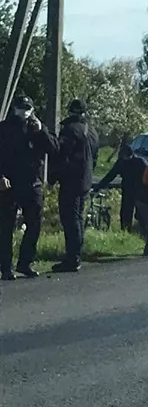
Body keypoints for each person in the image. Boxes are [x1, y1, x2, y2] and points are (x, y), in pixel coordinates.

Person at [0, 95, 57, 280]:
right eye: (20, 107)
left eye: (27, 108)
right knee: (6, 226)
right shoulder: (4, 128)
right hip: (10, 183)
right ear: (14, 108)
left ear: (32, 109)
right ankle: (6, 267)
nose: (23, 111)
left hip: (32, 183)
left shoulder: (37, 128)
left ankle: (25, 263)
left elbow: (54, 149)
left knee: (35, 224)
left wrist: (41, 131)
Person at [50, 98, 99, 273]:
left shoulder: (70, 130)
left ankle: (72, 258)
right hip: (85, 180)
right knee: (78, 218)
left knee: (70, 219)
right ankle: (76, 255)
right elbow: (95, 157)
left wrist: (53, 176)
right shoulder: (91, 131)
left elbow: (60, 154)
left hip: (71, 180)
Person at [94, 143, 148, 232]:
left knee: (141, 214)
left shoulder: (140, 162)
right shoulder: (121, 162)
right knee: (126, 213)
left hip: (140, 190)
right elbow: (110, 176)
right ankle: (125, 231)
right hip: (128, 189)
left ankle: (144, 231)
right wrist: (99, 186)